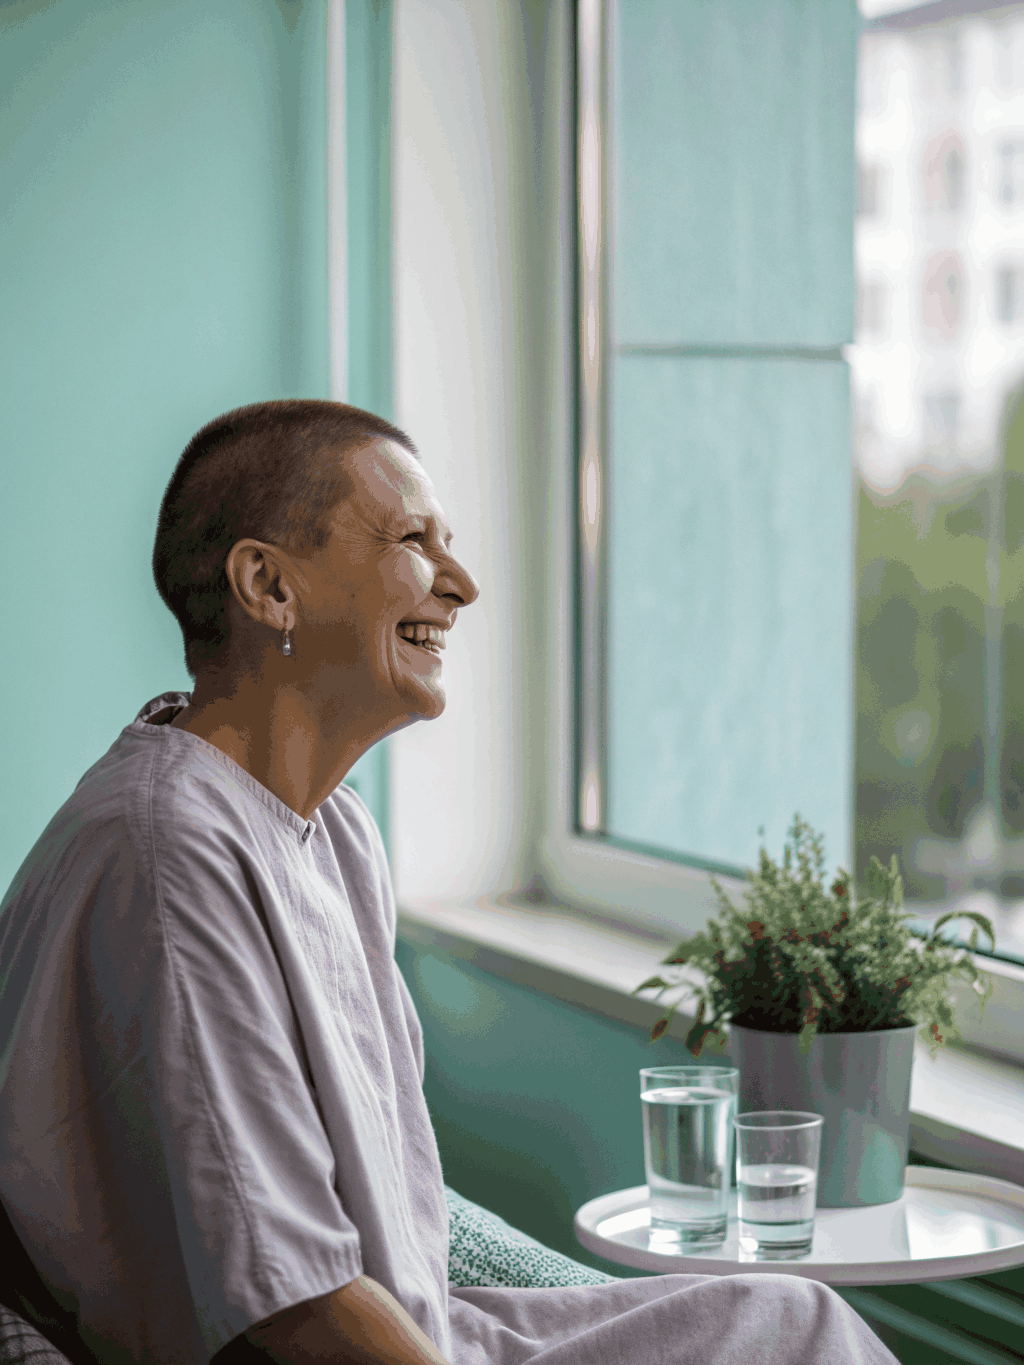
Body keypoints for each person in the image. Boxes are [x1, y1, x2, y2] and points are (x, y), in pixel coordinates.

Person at [0, 400, 899, 1365]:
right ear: (268, 585)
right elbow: (294, 1304)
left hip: (439, 1333)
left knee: (796, 1321)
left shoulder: (334, 831)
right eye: (414, 542)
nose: (461, 584)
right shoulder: (168, 851)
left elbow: (388, 1230)